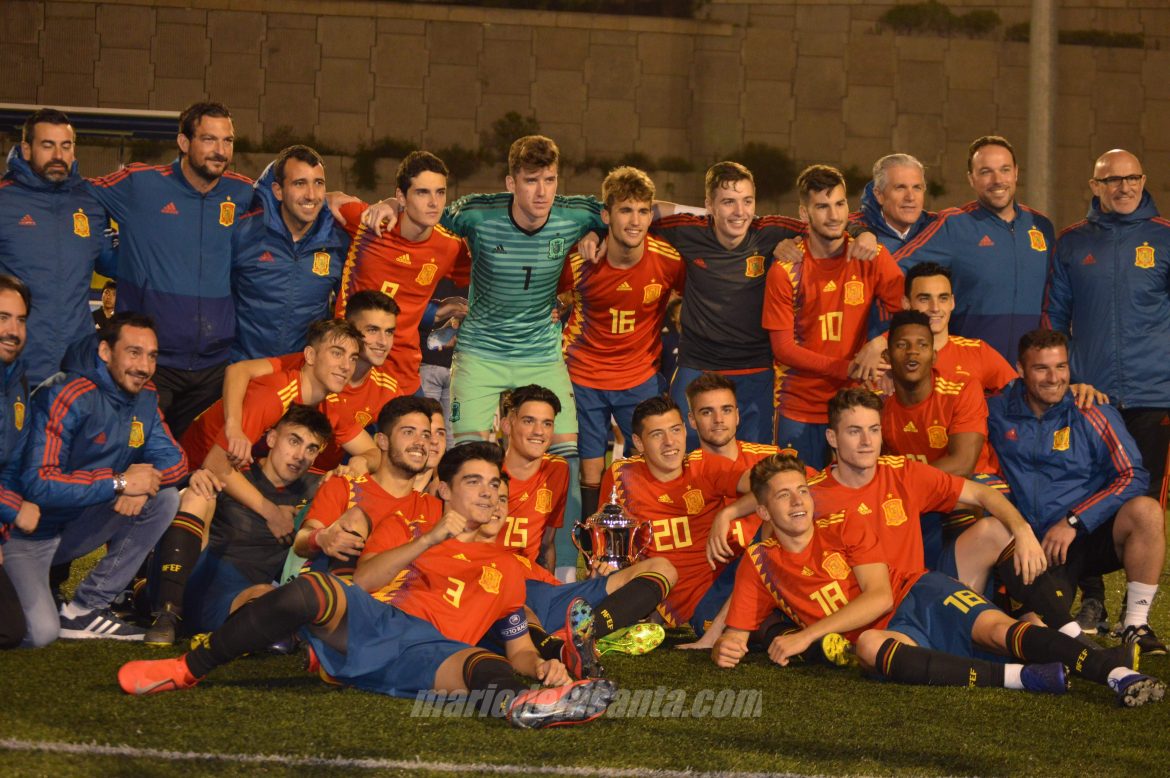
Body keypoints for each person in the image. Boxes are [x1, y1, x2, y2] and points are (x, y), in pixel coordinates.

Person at [119, 442, 617, 729]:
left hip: (432, 653)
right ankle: (184, 669)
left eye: (494, 485)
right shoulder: (409, 525)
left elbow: (517, 648)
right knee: (311, 591)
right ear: (444, 489)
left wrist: (542, 666)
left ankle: (522, 707)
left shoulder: (508, 568)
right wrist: (433, 537)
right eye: (474, 482)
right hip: (377, 623)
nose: (488, 493)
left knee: (485, 666)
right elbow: (364, 581)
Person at [711, 454, 1164, 707]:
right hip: (893, 635)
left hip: (917, 595)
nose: (798, 503)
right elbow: (735, 633)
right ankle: (1024, 678)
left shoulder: (845, 526)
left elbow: (879, 598)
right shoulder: (759, 562)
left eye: (802, 491)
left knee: (999, 632)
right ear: (763, 510)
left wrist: (805, 636)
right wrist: (725, 648)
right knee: (870, 646)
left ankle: (1114, 672)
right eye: (783, 496)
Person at [1042, 150, 1170, 631]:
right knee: (1084, 496)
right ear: (1095, 186)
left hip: (1154, 396)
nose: (1124, 187)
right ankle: (1091, 599)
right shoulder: (1073, 242)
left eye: (1132, 178)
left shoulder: (1164, 237)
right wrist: (1064, 378)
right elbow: (1054, 318)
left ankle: (1136, 619)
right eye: (1112, 180)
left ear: (1144, 179)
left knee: (1147, 506)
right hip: (1089, 397)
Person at [5, 313, 188, 645]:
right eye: (134, 353)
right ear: (105, 351)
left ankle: (86, 608)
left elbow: (176, 462)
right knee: (40, 632)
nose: (144, 367)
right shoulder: (67, 392)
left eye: (152, 356)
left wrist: (139, 486)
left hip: (74, 528)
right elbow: (38, 483)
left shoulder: (145, 397)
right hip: (29, 532)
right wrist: (119, 483)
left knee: (164, 498)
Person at [987, 329, 1167, 654]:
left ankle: (1136, 624)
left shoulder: (1091, 408)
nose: (1054, 378)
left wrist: (1074, 520)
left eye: (1061, 367)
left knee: (1146, 511)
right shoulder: (996, 411)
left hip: (1088, 535)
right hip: (1036, 547)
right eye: (1042, 368)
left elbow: (1133, 475)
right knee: (1036, 640)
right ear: (1020, 369)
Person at [86, 102, 254, 437]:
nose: (220, 151)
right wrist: (109, 255)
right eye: (209, 139)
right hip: (151, 362)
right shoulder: (140, 184)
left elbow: (291, 199)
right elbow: (80, 195)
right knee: (134, 453)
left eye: (228, 141)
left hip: (213, 367)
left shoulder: (242, 192)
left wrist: (334, 198)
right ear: (183, 142)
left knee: (194, 461)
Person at [559, 166, 685, 534]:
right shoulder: (579, 261)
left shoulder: (668, 260)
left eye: (643, 211)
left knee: (645, 456)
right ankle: (589, 538)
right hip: (583, 373)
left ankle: (638, 532)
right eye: (625, 210)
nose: (635, 221)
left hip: (639, 375)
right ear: (606, 216)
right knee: (589, 462)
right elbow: (549, 297)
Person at [151, 405, 332, 643]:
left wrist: (356, 466)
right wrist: (196, 477)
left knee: (270, 597)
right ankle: (167, 613)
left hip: (239, 595)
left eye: (311, 449)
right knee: (200, 491)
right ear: (272, 439)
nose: (300, 456)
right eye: (294, 441)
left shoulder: (317, 487)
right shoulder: (234, 474)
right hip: (189, 575)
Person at [764, 164, 903, 468]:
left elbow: (909, 318)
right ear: (804, 213)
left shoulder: (871, 256)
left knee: (858, 489)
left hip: (856, 402)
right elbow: (783, 349)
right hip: (800, 405)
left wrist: (880, 343)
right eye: (822, 207)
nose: (834, 215)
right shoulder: (785, 270)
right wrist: (848, 368)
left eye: (840, 204)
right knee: (796, 488)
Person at [599, 396, 753, 636]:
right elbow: (607, 537)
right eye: (657, 434)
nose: (670, 442)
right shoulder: (623, 475)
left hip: (718, 584)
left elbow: (770, 487)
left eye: (675, 430)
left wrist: (727, 513)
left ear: (684, 429)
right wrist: (604, 563)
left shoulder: (705, 465)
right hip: (659, 588)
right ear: (639, 442)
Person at [894, 136, 1054, 361]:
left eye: (1005, 170)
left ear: (1016, 173)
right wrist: (888, 337)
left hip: (1029, 369)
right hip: (968, 369)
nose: (997, 180)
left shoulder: (1041, 226)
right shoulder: (954, 225)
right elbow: (892, 271)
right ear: (971, 178)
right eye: (986, 172)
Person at [332, 151, 470, 396]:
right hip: (349, 369)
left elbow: (491, 277)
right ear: (401, 196)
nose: (434, 202)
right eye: (422, 192)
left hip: (403, 376)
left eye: (440, 192)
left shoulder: (450, 246)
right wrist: (387, 203)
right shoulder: (367, 223)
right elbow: (319, 199)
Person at [220, 291, 402, 473]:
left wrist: (364, 461)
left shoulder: (378, 391)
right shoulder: (296, 373)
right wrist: (233, 425)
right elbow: (238, 370)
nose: (383, 342)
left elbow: (378, 452)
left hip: (306, 474)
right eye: (372, 330)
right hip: (252, 465)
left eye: (389, 332)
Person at [0, 108, 117, 384]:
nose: (58, 155)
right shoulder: (5, 200)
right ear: (26, 149)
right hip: (15, 365)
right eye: (47, 145)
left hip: (76, 367)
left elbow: (114, 263)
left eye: (66, 146)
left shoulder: (90, 202)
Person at [231, 145, 348, 361]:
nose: (311, 195)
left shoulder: (339, 241)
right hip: (244, 368)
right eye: (300, 183)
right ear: (278, 191)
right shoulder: (244, 233)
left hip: (300, 371)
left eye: (318, 183)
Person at [294, 396, 442, 562]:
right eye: (409, 432)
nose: (420, 442)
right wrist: (321, 537)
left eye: (426, 435)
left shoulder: (433, 509)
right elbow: (301, 542)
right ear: (383, 441)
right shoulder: (344, 485)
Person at [901, 262, 1017, 392]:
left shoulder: (978, 352)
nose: (935, 308)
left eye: (943, 298)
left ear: (952, 302)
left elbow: (1019, 396)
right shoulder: (888, 353)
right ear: (906, 303)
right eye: (924, 299)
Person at [496, 385, 568, 571]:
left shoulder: (557, 470)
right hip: (485, 575)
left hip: (529, 579)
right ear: (507, 425)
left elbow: (547, 544)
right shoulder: (485, 471)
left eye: (547, 423)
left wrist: (548, 586)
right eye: (529, 421)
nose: (539, 431)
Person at [0, 275, 34, 647]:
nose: (13, 330)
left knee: (11, 629)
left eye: (20, 320)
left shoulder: (17, 382)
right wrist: (12, 507)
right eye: (3, 317)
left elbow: (10, 465)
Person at [854, 153, 937, 255]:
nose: (910, 197)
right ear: (879, 195)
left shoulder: (936, 227)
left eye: (917, 187)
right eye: (900, 187)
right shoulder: (852, 230)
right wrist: (860, 232)